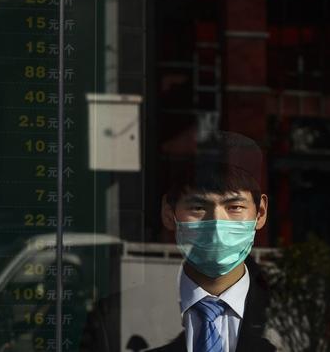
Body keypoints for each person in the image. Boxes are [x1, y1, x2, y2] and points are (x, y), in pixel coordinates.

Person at [80, 131, 280, 352]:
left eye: (235, 207)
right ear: (169, 213)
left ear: (260, 213)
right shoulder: (117, 316)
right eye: (198, 207)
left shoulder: (292, 318)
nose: (216, 224)